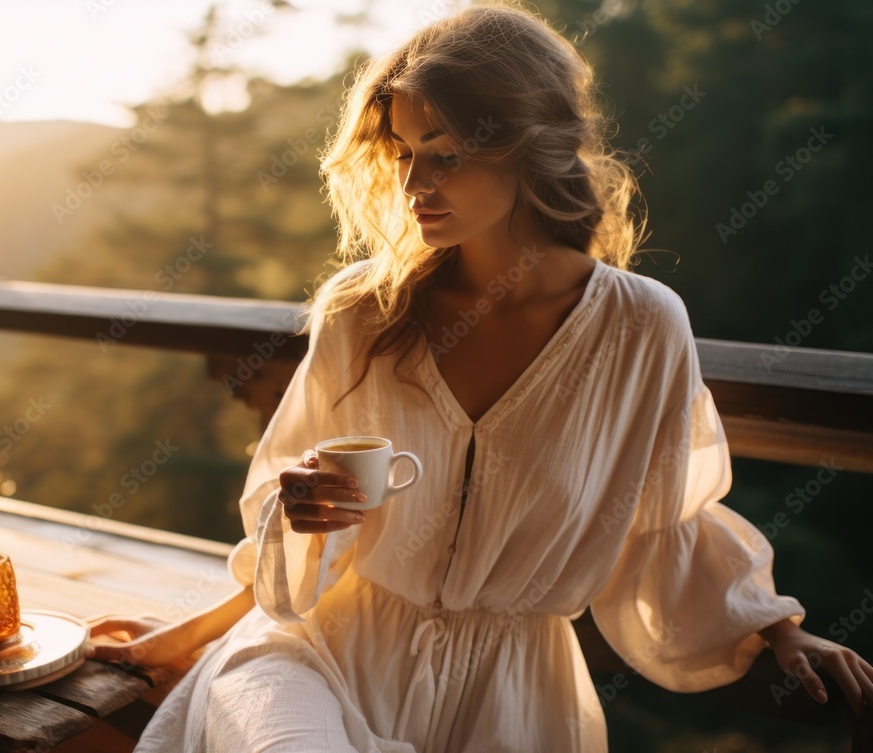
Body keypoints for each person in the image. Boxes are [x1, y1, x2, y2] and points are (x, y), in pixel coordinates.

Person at [85, 4, 873, 751]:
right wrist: (205, 618)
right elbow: (301, 529)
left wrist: (775, 625)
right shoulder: (363, 308)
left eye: (447, 154)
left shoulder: (640, 327)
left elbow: (663, 519)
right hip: (319, 657)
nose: (412, 184)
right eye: (403, 152)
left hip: (511, 697)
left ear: (532, 146)